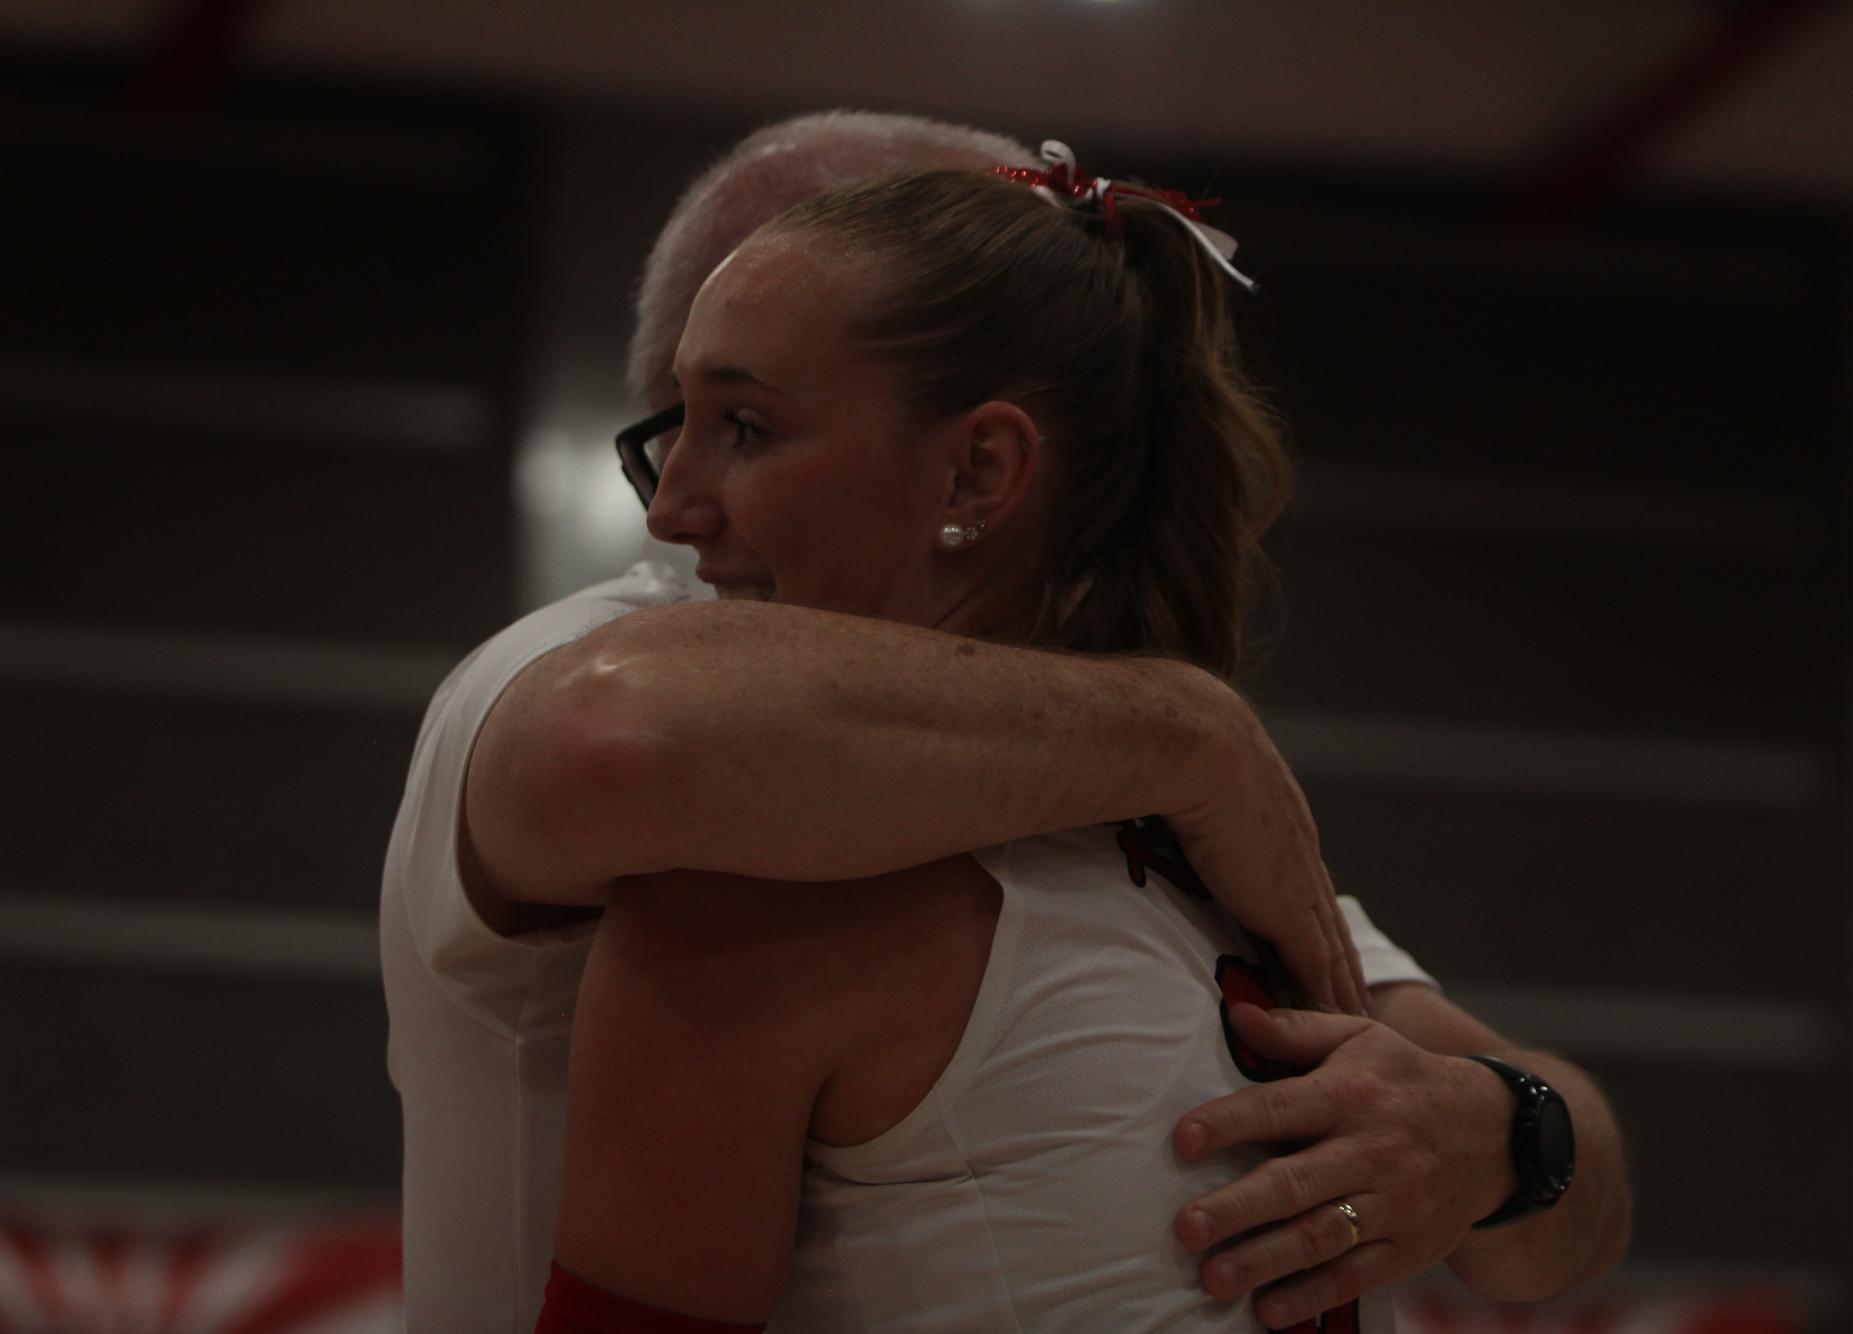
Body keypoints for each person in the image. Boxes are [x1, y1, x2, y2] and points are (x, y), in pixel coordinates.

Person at [380, 113, 1628, 1334]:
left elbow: (1582, 1200)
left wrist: (1500, 1128)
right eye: (694, 423)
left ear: (983, 467)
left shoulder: (1148, 798)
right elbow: (620, 742)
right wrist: (1192, 723)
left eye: (749, 424)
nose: (674, 510)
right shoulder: (691, 745)